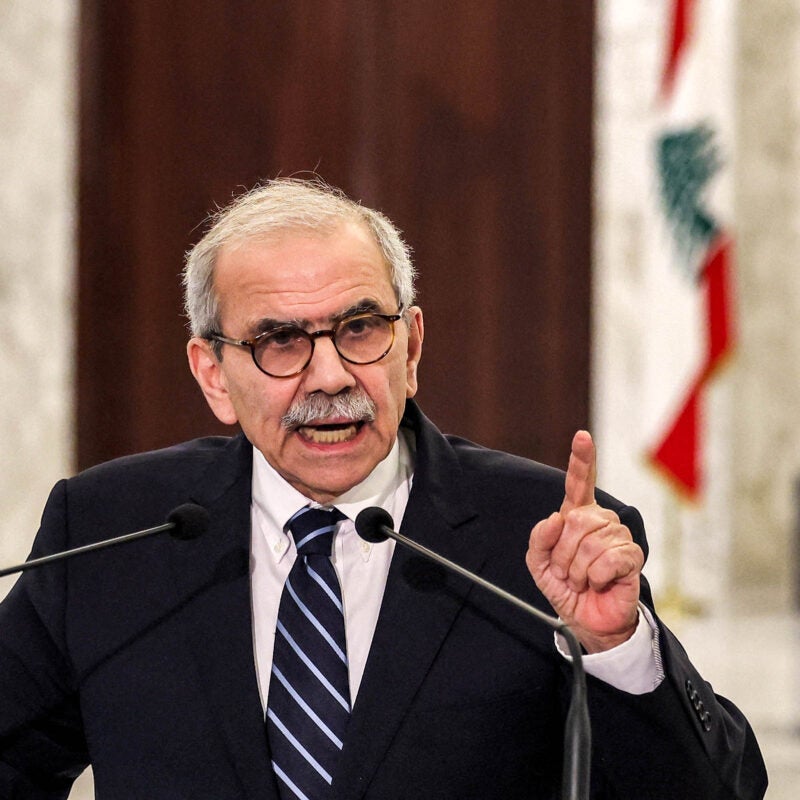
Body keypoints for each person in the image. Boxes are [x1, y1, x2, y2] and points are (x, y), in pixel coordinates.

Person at [0, 178, 766, 799]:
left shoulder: (540, 536)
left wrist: (616, 649)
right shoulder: (108, 531)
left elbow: (719, 789)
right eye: (280, 341)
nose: (330, 377)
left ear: (412, 346)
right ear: (213, 375)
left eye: (361, 328)